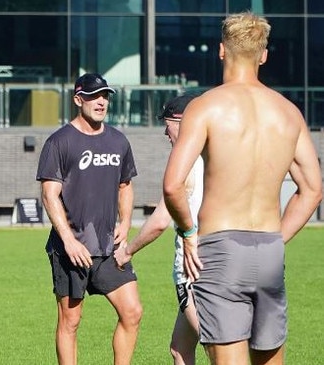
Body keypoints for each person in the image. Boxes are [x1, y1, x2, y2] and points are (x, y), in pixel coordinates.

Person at [163, 12, 322, 365]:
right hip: (269, 249)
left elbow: (173, 185)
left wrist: (189, 233)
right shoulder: (289, 112)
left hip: (220, 249)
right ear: (263, 55)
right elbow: (312, 188)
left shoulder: (205, 107)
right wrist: (277, 237)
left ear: (221, 51)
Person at [36, 73, 142, 365]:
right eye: (95, 96)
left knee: (132, 312)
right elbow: (49, 194)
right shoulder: (59, 142)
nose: (101, 102)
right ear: (77, 99)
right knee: (71, 321)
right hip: (71, 249)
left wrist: (125, 221)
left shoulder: (118, 141)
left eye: (105, 96)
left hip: (109, 248)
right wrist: (69, 240)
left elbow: (126, 185)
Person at [114, 94, 201, 365]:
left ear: (183, 122)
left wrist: (127, 251)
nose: (165, 131)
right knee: (180, 348)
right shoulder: (218, 155)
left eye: (168, 123)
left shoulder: (184, 160)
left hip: (195, 267)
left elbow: (160, 221)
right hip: (225, 259)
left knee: (218, 347)